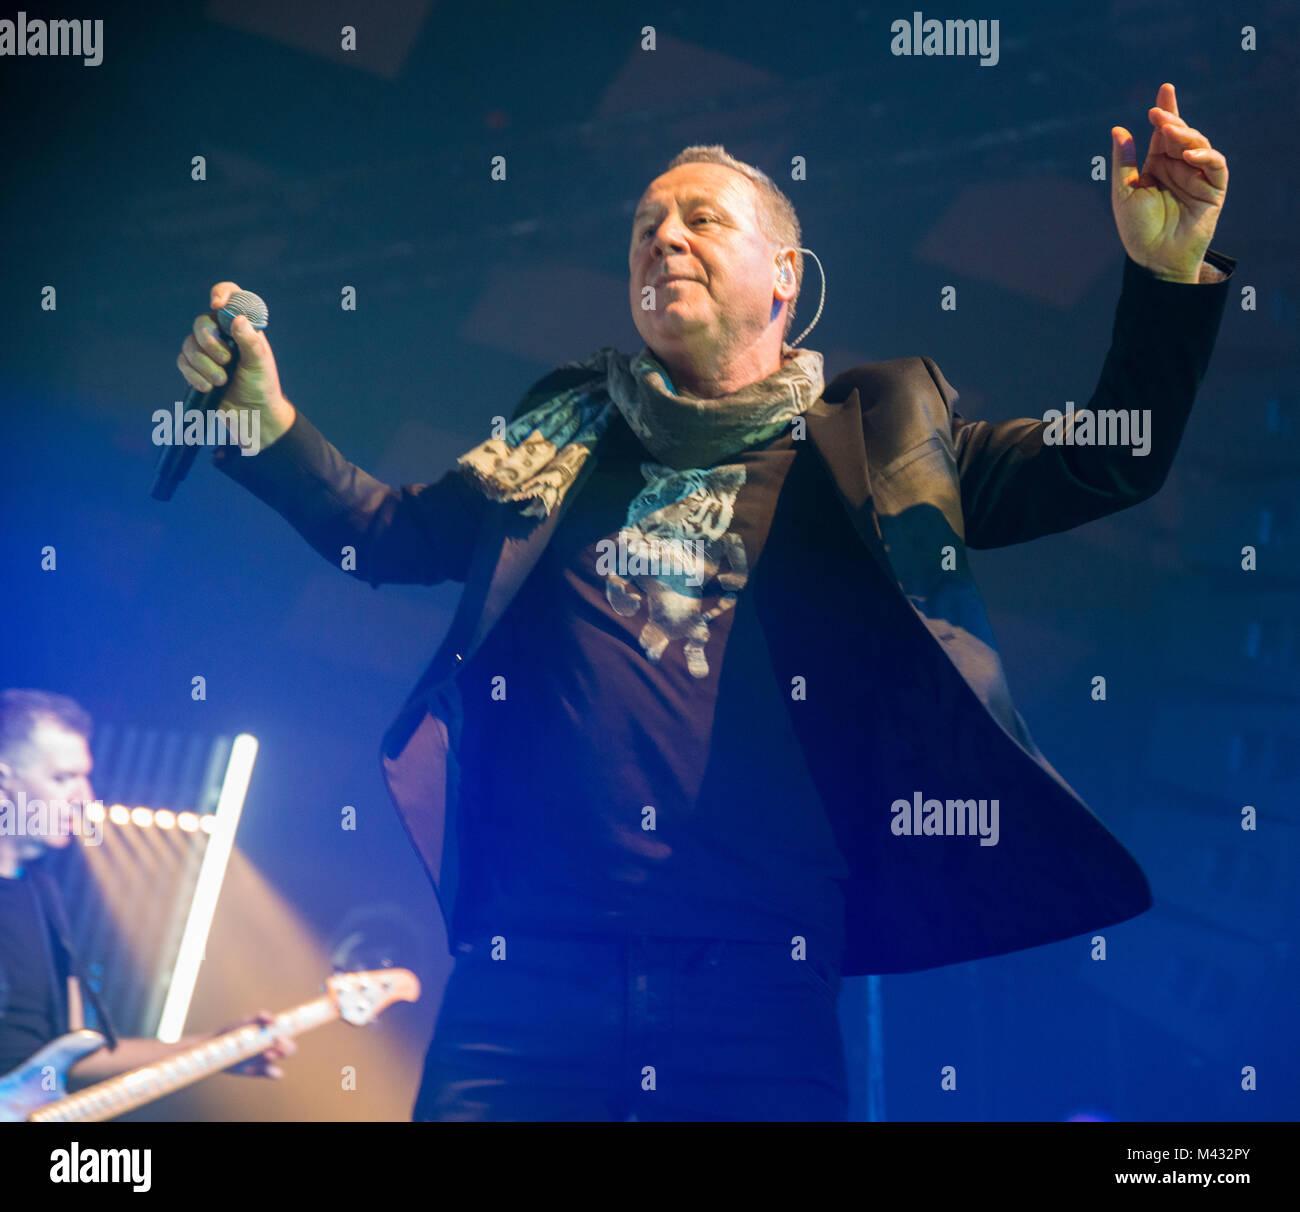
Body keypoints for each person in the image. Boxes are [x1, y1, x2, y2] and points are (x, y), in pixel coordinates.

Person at [180, 83, 1233, 1121]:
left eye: (698, 219)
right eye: (644, 227)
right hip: (531, 964)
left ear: (784, 274)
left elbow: (1112, 462)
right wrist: (264, 421)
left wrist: (1166, 277)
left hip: (759, 971)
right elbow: (389, 534)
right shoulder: (560, 434)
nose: (663, 239)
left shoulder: (883, 438)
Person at [0, 689, 294, 1093]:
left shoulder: (43, 894)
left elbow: (70, 1056)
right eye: (63, 778)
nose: (84, 798)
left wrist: (214, 1047)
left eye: (84, 777)